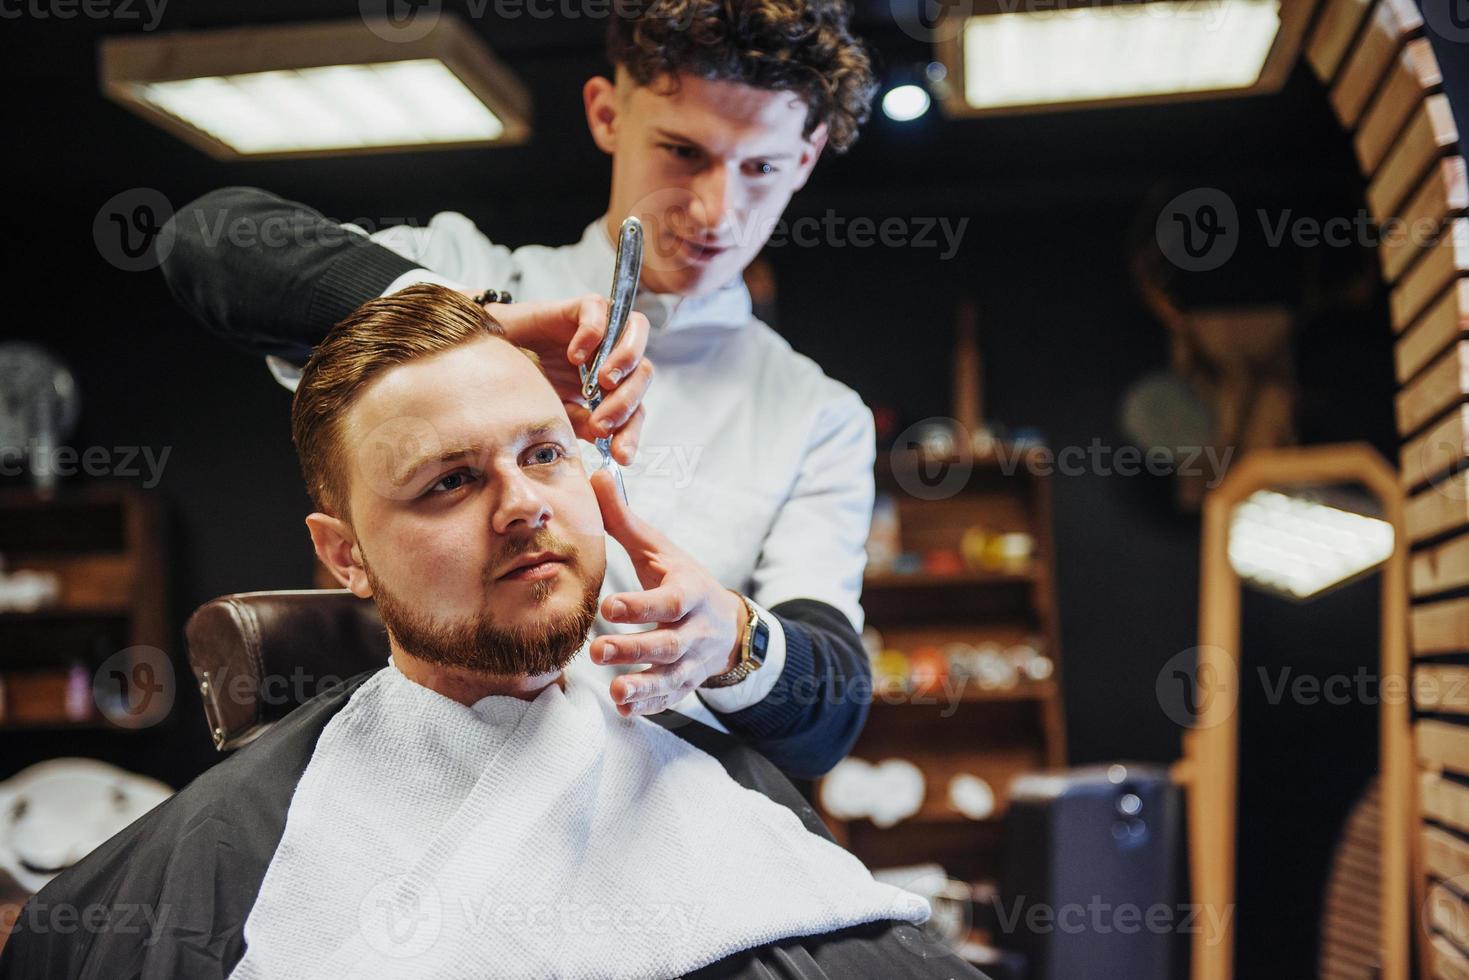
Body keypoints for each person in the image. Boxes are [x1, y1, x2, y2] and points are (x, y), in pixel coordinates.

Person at [0, 288, 987, 980]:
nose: (523, 504)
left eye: (544, 451)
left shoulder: (720, 776)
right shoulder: (189, 872)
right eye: (448, 480)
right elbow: (205, 241)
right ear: (344, 556)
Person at [160, 0, 882, 779]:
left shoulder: (815, 416)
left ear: (805, 158)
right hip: (419, 787)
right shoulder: (469, 269)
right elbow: (205, 242)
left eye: (760, 168)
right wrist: (470, 324)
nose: (715, 210)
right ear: (607, 114)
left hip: (652, 817)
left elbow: (830, 715)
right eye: (681, 152)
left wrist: (734, 640)